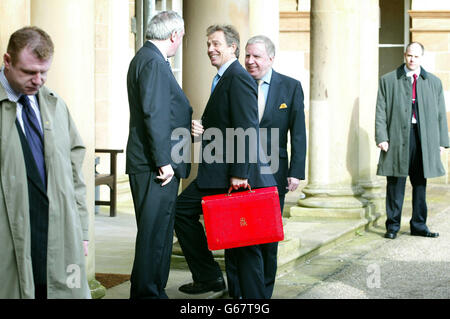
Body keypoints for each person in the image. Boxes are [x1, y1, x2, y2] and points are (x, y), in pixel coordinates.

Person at [174, 25, 276, 299]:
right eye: (208, 44)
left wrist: (240, 173)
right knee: (236, 243)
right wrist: (206, 129)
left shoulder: (237, 77)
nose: (210, 49)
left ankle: (235, 290)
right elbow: (230, 123)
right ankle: (215, 280)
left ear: (233, 47)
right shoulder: (224, 77)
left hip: (230, 175)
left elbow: (247, 126)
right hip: (219, 172)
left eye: (216, 44)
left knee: (242, 244)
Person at [0, 26, 90, 299]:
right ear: (7, 61)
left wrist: (82, 229)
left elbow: (75, 170)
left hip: (58, 234)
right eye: (29, 72)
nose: (38, 80)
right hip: (9, 237)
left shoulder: (54, 104)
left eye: (44, 72)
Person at [228, 35, 306, 298]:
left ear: (271, 58)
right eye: (247, 56)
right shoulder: (235, 83)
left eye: (256, 56)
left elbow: (298, 133)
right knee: (236, 237)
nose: (250, 61)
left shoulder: (291, 87)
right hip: (238, 173)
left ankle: (263, 295)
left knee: (267, 238)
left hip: (273, 174)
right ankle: (237, 293)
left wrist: (296, 171)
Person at [126, 11, 192, 299]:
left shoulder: (148, 58)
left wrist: (186, 126)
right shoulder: (153, 62)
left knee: (159, 234)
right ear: (174, 35)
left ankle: (152, 291)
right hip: (155, 167)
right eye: (182, 38)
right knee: (154, 235)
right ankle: (148, 293)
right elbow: (153, 113)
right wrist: (164, 162)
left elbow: (161, 110)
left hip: (155, 162)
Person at [375, 42, 449, 240]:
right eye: (409, 55)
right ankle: (392, 226)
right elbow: (380, 111)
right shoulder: (388, 80)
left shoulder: (433, 82)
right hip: (397, 137)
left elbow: (441, 113)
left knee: (420, 182)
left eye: (416, 56)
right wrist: (382, 137)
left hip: (423, 137)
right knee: (395, 182)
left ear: (421, 58)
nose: (412, 59)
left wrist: (441, 141)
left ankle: (418, 224)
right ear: (404, 55)